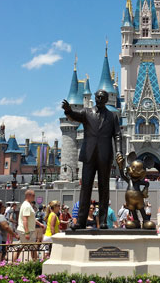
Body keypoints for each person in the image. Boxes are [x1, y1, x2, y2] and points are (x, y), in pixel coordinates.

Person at [62, 90, 124, 230]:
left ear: (107, 99)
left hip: (105, 155)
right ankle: (81, 221)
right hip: (89, 155)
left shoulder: (112, 116)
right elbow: (74, 116)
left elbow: (118, 135)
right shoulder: (86, 112)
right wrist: (68, 111)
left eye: (103, 97)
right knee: (85, 187)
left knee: (104, 188)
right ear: (95, 98)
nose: (100, 98)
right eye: (98, 96)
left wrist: (119, 151)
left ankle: (102, 221)